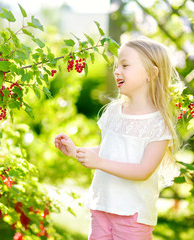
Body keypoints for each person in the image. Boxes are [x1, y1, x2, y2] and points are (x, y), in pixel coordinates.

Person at [54, 37, 181, 240]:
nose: (117, 70)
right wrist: (76, 150)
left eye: (125, 65)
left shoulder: (158, 125)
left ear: (151, 73)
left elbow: (142, 171)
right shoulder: (113, 112)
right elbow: (109, 150)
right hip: (103, 206)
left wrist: (99, 162)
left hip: (133, 215)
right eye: (116, 65)